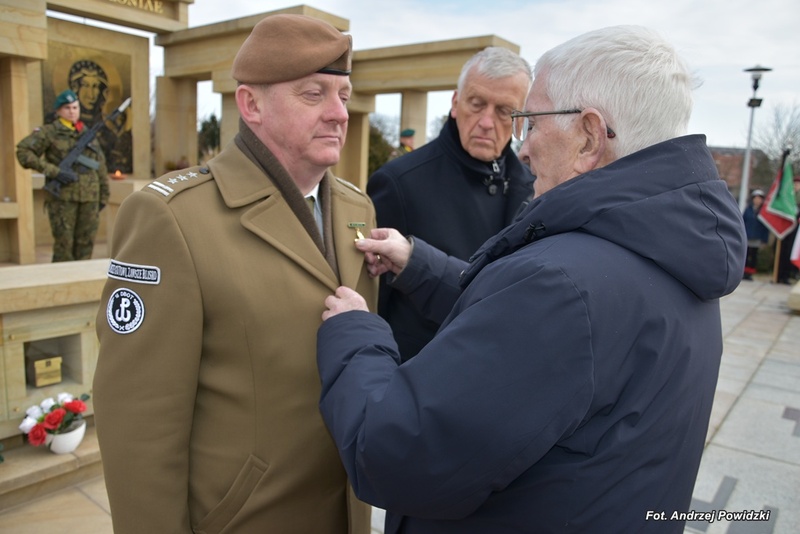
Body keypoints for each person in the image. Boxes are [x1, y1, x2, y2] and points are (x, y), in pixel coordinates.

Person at [316, 25, 747, 533]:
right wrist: (419, 263)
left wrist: (356, 334)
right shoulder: (674, 249)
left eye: (529, 121)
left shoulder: (562, 287)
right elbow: (532, 320)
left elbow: (394, 454)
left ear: (589, 135)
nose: (521, 147)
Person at [93, 14, 377, 533]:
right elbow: (138, 421)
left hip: (345, 512)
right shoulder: (173, 217)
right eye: (314, 94)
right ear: (252, 106)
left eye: (344, 94)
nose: (340, 113)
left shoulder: (356, 208)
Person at [368, 46, 534, 360]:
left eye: (503, 111)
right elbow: (375, 303)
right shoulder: (399, 182)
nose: (486, 121)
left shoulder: (538, 187)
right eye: (477, 103)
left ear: (520, 120)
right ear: (456, 104)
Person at [16, 89, 109, 262]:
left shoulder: (87, 133)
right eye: (67, 108)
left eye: (75, 107)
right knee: (64, 246)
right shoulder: (49, 132)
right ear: (58, 111)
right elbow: (23, 151)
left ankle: (82, 284)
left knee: (86, 245)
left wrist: (104, 194)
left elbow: (100, 164)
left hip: (90, 197)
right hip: (63, 198)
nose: (72, 111)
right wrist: (53, 171)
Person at [742, 189, 769, 280]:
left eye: (759, 199)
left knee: (753, 256)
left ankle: (750, 273)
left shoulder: (763, 212)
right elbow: (743, 221)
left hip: (757, 237)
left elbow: (765, 227)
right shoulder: (748, 209)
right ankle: (743, 272)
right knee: (745, 255)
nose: (757, 200)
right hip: (747, 236)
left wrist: (765, 240)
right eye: (755, 198)